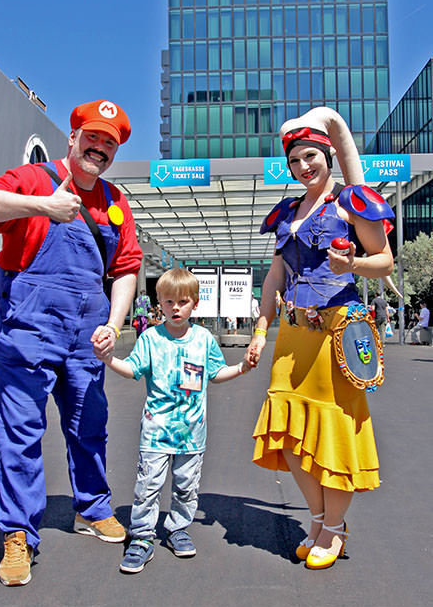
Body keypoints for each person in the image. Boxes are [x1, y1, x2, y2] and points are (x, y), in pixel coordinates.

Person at [0, 99, 142, 586]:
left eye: (109, 142)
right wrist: (40, 206)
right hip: (28, 330)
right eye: (93, 137)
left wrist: (114, 321)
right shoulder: (36, 179)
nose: (100, 147)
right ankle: (18, 535)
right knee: (21, 432)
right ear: (73, 138)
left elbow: (126, 268)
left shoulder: (114, 201)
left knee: (90, 425)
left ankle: (92, 509)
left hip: (86, 333)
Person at [247, 107, 394, 570]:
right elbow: (275, 274)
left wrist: (350, 266)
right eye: (295, 161)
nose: (303, 167)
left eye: (310, 156)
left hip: (337, 328)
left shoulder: (351, 203)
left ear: (327, 155)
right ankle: (318, 517)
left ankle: (332, 529)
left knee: (332, 432)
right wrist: (261, 327)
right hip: (292, 332)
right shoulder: (288, 212)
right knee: (289, 434)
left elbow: (384, 260)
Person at [96, 268, 251, 573]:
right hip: (155, 432)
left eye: (182, 302)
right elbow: (133, 369)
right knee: (148, 486)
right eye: (168, 302)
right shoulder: (151, 338)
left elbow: (215, 374)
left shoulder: (204, 339)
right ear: (160, 304)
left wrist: (242, 367)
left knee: (186, 487)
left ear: (195, 303)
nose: (175, 308)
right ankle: (141, 537)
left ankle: (178, 528)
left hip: (192, 435)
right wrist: (108, 360)